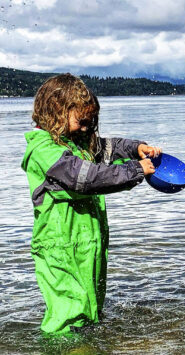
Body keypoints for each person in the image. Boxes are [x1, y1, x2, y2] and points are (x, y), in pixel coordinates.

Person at [21, 73, 161, 334]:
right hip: (59, 248)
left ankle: (90, 345)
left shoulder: (77, 142)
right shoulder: (43, 150)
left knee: (91, 309)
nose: (87, 128)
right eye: (81, 121)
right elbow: (83, 178)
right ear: (56, 113)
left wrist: (136, 148)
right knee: (68, 315)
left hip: (89, 245)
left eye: (91, 122)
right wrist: (135, 170)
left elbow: (108, 147)